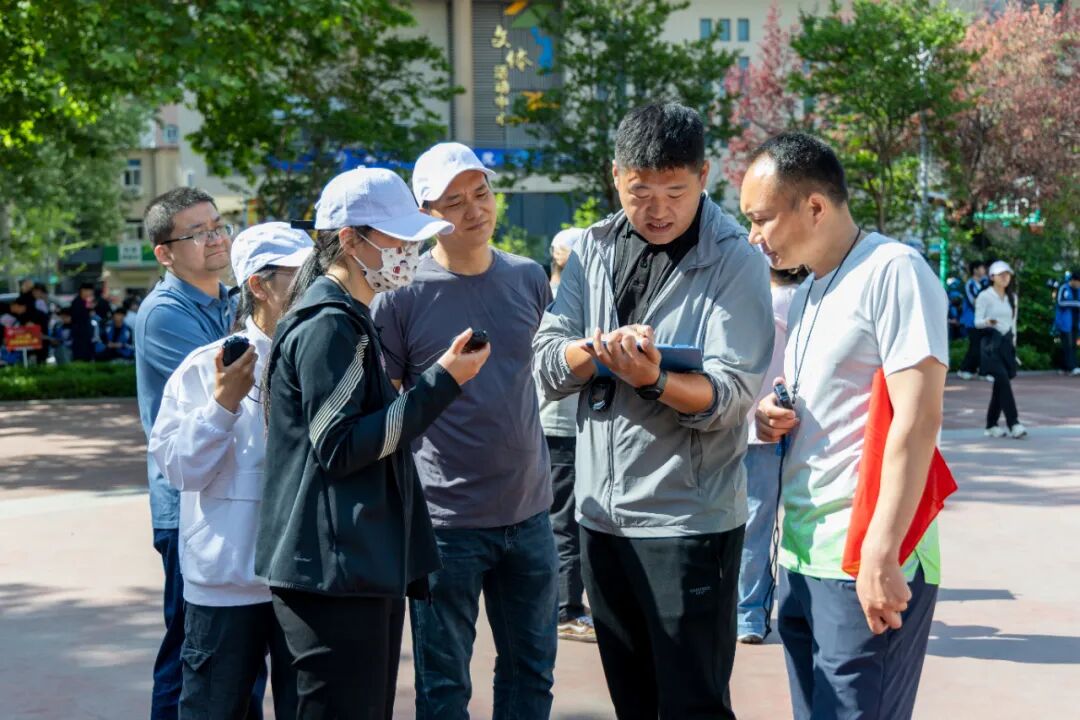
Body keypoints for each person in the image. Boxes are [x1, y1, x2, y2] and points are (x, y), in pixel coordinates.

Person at [534, 103, 773, 719]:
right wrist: (597, 352)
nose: (658, 209)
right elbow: (545, 359)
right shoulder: (593, 248)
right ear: (616, 176)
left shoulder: (734, 258)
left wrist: (654, 378)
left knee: (693, 704)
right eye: (640, 191)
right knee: (632, 701)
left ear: (704, 175)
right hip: (599, 517)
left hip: (688, 523)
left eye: (675, 191)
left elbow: (732, 394)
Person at [257, 167, 488, 719]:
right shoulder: (328, 324)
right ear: (349, 240)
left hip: (352, 564)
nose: (410, 251)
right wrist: (443, 381)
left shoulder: (348, 318)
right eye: (399, 239)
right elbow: (339, 446)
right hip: (334, 571)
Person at [746, 132, 948, 720]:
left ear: (814, 206)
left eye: (761, 218)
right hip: (802, 556)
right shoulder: (809, 289)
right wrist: (770, 414)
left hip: (865, 557)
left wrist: (882, 551)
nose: (754, 236)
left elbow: (918, 416)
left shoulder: (894, 270)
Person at [371, 142, 559, 719]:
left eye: (482, 193)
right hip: (444, 524)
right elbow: (385, 407)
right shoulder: (401, 295)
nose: (475, 209)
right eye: (455, 202)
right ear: (426, 213)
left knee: (532, 674)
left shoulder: (528, 277)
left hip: (530, 513)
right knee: (444, 687)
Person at [149, 222, 313, 719]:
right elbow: (180, 469)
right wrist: (222, 406)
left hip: (306, 582)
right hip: (225, 584)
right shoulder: (206, 367)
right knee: (214, 709)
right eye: (301, 278)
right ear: (259, 286)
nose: (315, 289)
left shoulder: (327, 359)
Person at [134, 187, 243, 720]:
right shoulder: (164, 313)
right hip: (189, 508)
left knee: (238, 656)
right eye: (198, 233)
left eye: (218, 226)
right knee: (193, 656)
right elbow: (232, 384)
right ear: (165, 253)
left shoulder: (232, 300)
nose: (216, 238)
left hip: (233, 496)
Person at [737, 265, 806, 645]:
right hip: (797, 428)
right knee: (777, 524)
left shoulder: (755, 300)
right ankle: (753, 612)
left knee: (752, 525)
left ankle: (746, 614)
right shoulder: (809, 302)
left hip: (749, 425)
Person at [539, 226, 595, 643]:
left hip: (556, 422)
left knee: (560, 516)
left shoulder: (545, 294)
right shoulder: (570, 302)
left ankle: (565, 602)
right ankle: (565, 608)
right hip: (562, 425)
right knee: (566, 519)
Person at [977, 260, 1026, 438]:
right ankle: (1014, 423)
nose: (1005, 277)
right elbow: (976, 322)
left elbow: (1013, 324)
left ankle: (991, 425)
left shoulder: (1013, 298)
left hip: (1006, 344)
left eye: (1007, 274)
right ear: (992, 277)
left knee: (1000, 384)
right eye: (1001, 274)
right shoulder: (984, 296)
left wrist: (1014, 347)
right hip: (990, 344)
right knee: (1003, 380)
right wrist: (988, 321)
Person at [958, 260, 989, 380]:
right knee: (975, 346)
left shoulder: (984, 283)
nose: (984, 270)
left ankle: (980, 371)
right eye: (981, 268)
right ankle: (965, 369)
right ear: (975, 270)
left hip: (982, 320)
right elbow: (974, 302)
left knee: (983, 346)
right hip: (971, 321)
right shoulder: (970, 284)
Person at [1055, 271, 1080, 375]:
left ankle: (1064, 366)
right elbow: (1060, 302)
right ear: (1073, 280)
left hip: (1075, 321)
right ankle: (1072, 367)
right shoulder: (1064, 288)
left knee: (1073, 344)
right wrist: (1076, 304)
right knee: (1067, 344)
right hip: (1065, 322)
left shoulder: (1078, 290)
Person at [69, 283, 98, 362]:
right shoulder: (77, 302)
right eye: (90, 291)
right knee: (80, 357)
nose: (91, 294)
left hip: (87, 334)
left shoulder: (87, 302)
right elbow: (79, 317)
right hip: (79, 335)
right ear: (83, 291)